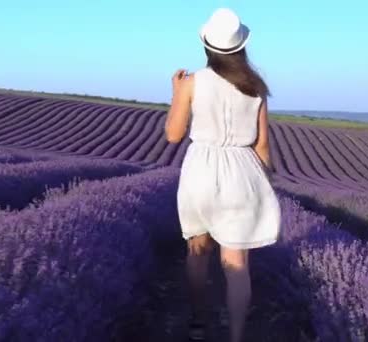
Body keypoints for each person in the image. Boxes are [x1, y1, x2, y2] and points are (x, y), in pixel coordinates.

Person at [164, 7, 281, 342]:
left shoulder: (192, 83)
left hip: (201, 170)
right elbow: (262, 146)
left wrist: (177, 92)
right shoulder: (255, 87)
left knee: (198, 253)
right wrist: (267, 186)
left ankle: (199, 323)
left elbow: (173, 135)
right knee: (238, 264)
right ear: (240, 46)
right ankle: (237, 336)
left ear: (208, 47)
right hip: (243, 174)